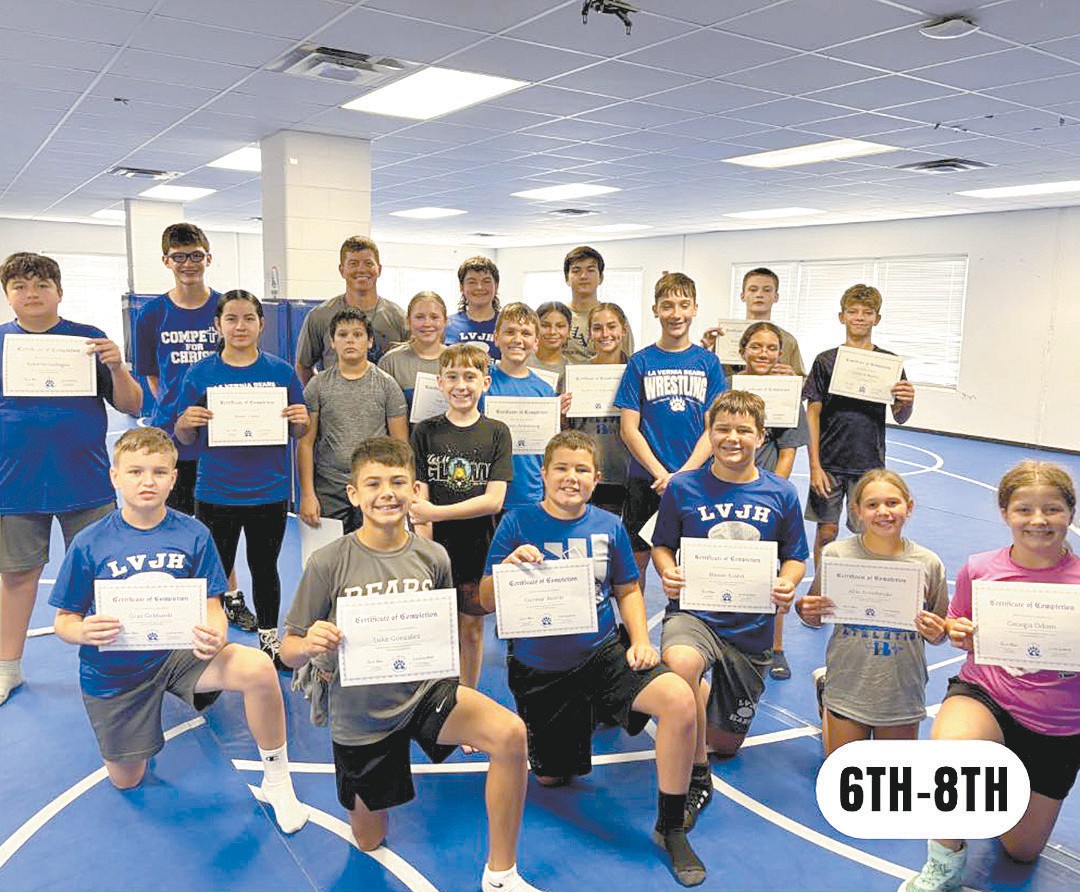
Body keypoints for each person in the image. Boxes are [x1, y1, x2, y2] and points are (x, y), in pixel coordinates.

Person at [280, 437, 541, 892]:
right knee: (368, 839)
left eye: (398, 482)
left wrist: (460, 698)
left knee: (510, 734)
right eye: (374, 483)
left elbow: (445, 629)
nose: (387, 493)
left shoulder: (433, 556)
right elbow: (288, 648)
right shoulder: (327, 562)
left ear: (415, 490)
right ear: (354, 493)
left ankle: (501, 875)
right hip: (361, 711)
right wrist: (309, 645)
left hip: (423, 692)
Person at [47, 427, 308, 833]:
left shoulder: (193, 533)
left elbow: (212, 604)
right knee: (127, 779)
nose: (147, 481)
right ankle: (135, 727)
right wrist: (82, 632)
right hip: (115, 671)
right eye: (135, 471)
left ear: (173, 478)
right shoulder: (90, 542)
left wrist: (217, 633)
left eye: (158, 472)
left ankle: (278, 780)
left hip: (178, 653)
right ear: (115, 477)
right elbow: (63, 621)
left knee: (258, 668)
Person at [479, 430, 705, 887]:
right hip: (541, 669)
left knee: (680, 699)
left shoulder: (607, 525)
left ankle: (671, 825)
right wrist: (505, 570)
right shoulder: (516, 523)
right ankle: (593, 715)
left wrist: (639, 639)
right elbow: (484, 600)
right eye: (561, 468)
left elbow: (627, 588)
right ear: (544, 475)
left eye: (581, 470)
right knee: (551, 778)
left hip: (602, 654)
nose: (571, 477)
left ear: (596, 478)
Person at [902, 460, 1080, 892]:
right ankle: (943, 865)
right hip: (987, 696)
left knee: (1021, 850)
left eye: (1052, 509)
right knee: (951, 751)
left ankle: (1001, 784)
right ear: (1005, 513)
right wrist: (954, 630)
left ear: (1070, 513)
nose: (1038, 520)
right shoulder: (980, 569)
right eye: (1024, 509)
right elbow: (956, 623)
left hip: (1058, 725)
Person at [651, 391, 808, 832]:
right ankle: (697, 773)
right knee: (681, 666)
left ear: (761, 436)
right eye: (722, 429)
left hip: (750, 625)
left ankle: (703, 706)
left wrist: (788, 581)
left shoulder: (781, 492)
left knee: (725, 744)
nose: (732, 438)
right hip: (694, 614)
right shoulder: (683, 486)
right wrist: (667, 571)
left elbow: (796, 556)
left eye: (743, 430)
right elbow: (662, 545)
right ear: (709, 433)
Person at [0, 251, 142, 705]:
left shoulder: (88, 339)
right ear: (8, 295)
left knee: (106, 574)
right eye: (20, 286)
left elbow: (132, 405)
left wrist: (117, 366)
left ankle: (118, 662)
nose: (31, 293)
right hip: (16, 483)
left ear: (59, 292)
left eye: (41, 285)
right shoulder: (1, 343)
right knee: (17, 576)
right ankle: (8, 667)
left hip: (85, 479)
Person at [174, 291, 309, 665]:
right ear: (218, 325)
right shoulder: (200, 373)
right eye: (231, 318)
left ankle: (269, 639)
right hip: (216, 491)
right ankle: (211, 645)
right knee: (214, 573)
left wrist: (301, 420)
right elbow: (185, 437)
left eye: (249, 318)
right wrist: (185, 422)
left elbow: (299, 430)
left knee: (265, 568)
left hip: (269, 490)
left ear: (261, 324)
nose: (240, 326)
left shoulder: (280, 372)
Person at [795, 469, 947, 755]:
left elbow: (939, 631)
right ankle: (827, 695)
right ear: (857, 511)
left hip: (901, 688)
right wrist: (804, 609)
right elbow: (813, 609)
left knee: (891, 777)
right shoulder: (837, 555)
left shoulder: (928, 563)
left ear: (909, 507)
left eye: (892, 503)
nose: (883, 512)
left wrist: (938, 631)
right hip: (849, 680)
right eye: (872, 505)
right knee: (842, 770)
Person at [409, 344, 513, 688]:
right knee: (437, 627)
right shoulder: (425, 432)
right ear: (440, 382)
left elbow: (493, 501)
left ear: (485, 382)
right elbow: (420, 498)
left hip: (479, 546)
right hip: (436, 548)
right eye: (452, 377)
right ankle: (438, 695)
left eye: (470, 376)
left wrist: (436, 512)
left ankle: (468, 694)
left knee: (471, 629)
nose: (461, 385)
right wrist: (426, 549)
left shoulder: (497, 432)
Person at [614, 273, 727, 581]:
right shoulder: (640, 362)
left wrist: (682, 475)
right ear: (655, 310)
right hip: (646, 479)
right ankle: (634, 615)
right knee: (636, 562)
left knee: (693, 561)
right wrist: (660, 474)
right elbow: (629, 429)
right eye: (667, 306)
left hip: (695, 480)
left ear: (695, 309)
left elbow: (713, 429)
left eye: (683, 305)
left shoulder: (708, 363)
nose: (676, 314)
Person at [804, 284, 915, 584]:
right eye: (853, 312)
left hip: (869, 463)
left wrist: (907, 400)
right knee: (826, 531)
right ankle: (822, 586)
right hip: (829, 462)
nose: (860, 318)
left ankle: (859, 588)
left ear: (877, 318)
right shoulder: (825, 361)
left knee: (867, 532)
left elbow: (901, 416)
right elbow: (812, 413)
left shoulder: (889, 363)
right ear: (842, 316)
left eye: (867, 313)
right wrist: (814, 466)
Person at [733, 321, 811, 680]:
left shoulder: (787, 394)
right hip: (727, 488)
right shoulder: (729, 388)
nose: (763, 353)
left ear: (781, 353)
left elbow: (788, 450)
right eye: (756, 346)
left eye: (771, 348)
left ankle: (776, 646)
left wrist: (771, 491)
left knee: (775, 571)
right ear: (742, 350)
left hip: (766, 494)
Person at [134, 223, 222, 516]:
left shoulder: (225, 309)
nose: (188, 264)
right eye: (179, 257)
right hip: (171, 436)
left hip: (220, 433)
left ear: (208, 258)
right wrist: (175, 405)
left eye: (196, 256)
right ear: (166, 261)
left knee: (219, 526)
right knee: (174, 520)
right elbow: (152, 374)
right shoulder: (151, 314)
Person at [298, 308, 408, 534]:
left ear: (370, 341)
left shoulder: (387, 385)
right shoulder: (317, 385)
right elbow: (306, 444)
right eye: (342, 334)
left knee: (373, 552)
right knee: (328, 552)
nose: (350, 340)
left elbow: (401, 446)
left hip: (375, 486)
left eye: (357, 335)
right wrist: (307, 494)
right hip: (328, 487)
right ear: (332, 342)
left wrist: (400, 491)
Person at [487, 303, 568, 514]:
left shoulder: (544, 390)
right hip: (485, 494)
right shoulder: (481, 382)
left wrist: (557, 414)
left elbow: (549, 450)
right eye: (510, 332)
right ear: (496, 338)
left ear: (536, 342)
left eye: (526, 333)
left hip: (529, 493)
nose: (517, 339)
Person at [294, 236, 408, 384]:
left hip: (386, 398)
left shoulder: (398, 317)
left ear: (379, 269)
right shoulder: (320, 316)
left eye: (368, 263)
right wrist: (321, 393)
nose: (361, 269)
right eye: (353, 264)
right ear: (342, 270)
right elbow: (304, 366)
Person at [565, 303, 632, 517]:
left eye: (611, 327)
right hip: (586, 473)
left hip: (628, 473)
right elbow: (567, 430)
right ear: (590, 333)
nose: (605, 334)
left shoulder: (636, 370)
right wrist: (560, 412)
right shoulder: (576, 374)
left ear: (623, 330)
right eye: (597, 328)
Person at [702, 267, 804, 378]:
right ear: (742, 296)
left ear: (776, 297)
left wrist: (795, 379)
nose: (759, 294)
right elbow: (708, 375)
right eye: (753, 289)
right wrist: (705, 350)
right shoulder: (724, 338)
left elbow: (804, 382)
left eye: (767, 290)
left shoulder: (789, 341)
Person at [377, 290, 448, 420]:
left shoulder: (457, 360)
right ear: (408, 322)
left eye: (434, 317)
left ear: (445, 321)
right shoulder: (390, 362)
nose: (427, 323)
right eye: (419, 317)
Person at [561, 246, 634, 363]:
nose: (583, 276)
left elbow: (626, 360)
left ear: (601, 278)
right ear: (567, 279)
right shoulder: (558, 318)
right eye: (576, 271)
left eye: (590, 270)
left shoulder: (615, 318)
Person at [444, 256, 501, 358]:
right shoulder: (447, 325)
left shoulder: (506, 325)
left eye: (486, 281)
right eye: (472, 282)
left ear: (496, 286)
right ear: (462, 287)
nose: (479, 287)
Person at [526, 300, 571, 390]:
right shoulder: (522, 363)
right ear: (535, 328)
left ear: (569, 330)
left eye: (560, 326)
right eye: (545, 326)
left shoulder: (571, 371)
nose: (552, 332)